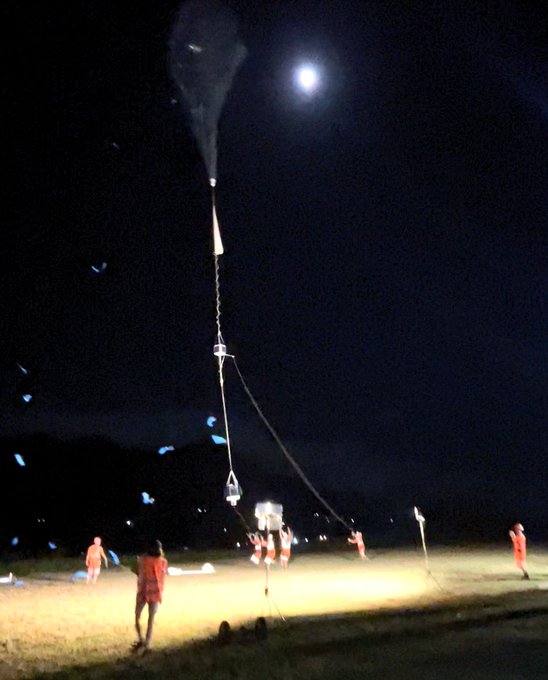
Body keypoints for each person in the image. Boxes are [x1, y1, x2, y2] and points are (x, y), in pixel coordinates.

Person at [133, 539, 168, 653]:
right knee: (151, 618)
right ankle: (147, 642)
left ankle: (141, 639)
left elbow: (137, 571)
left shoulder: (142, 559)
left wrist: (136, 564)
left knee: (137, 616)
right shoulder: (163, 562)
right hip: (156, 592)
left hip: (143, 591)